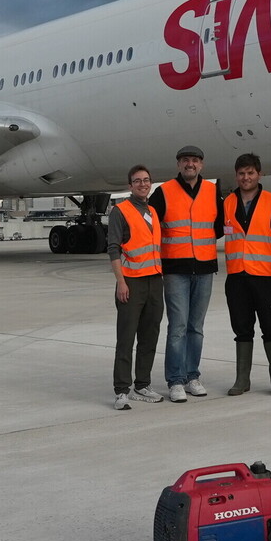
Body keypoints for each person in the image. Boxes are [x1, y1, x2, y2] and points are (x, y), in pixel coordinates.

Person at [150, 145, 224, 402]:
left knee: (196, 327)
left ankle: (193, 376)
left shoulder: (213, 192)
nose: (189, 164)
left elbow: (218, 227)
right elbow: (149, 226)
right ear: (178, 164)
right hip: (175, 269)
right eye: (184, 160)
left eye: (194, 160)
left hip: (204, 267)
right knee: (178, 327)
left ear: (201, 165)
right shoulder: (163, 192)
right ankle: (175, 380)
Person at [222, 153, 271, 396]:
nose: (245, 177)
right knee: (241, 329)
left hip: (265, 277)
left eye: (250, 173)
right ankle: (242, 380)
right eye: (241, 173)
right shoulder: (228, 202)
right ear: (236, 176)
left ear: (259, 175)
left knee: (270, 327)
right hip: (237, 277)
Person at [108, 165, 167, 409]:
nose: (143, 184)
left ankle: (142, 385)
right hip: (131, 282)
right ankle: (121, 390)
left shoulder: (152, 211)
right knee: (126, 338)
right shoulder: (120, 211)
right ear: (130, 185)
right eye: (137, 181)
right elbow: (113, 248)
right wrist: (121, 281)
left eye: (146, 180)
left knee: (149, 336)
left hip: (154, 280)